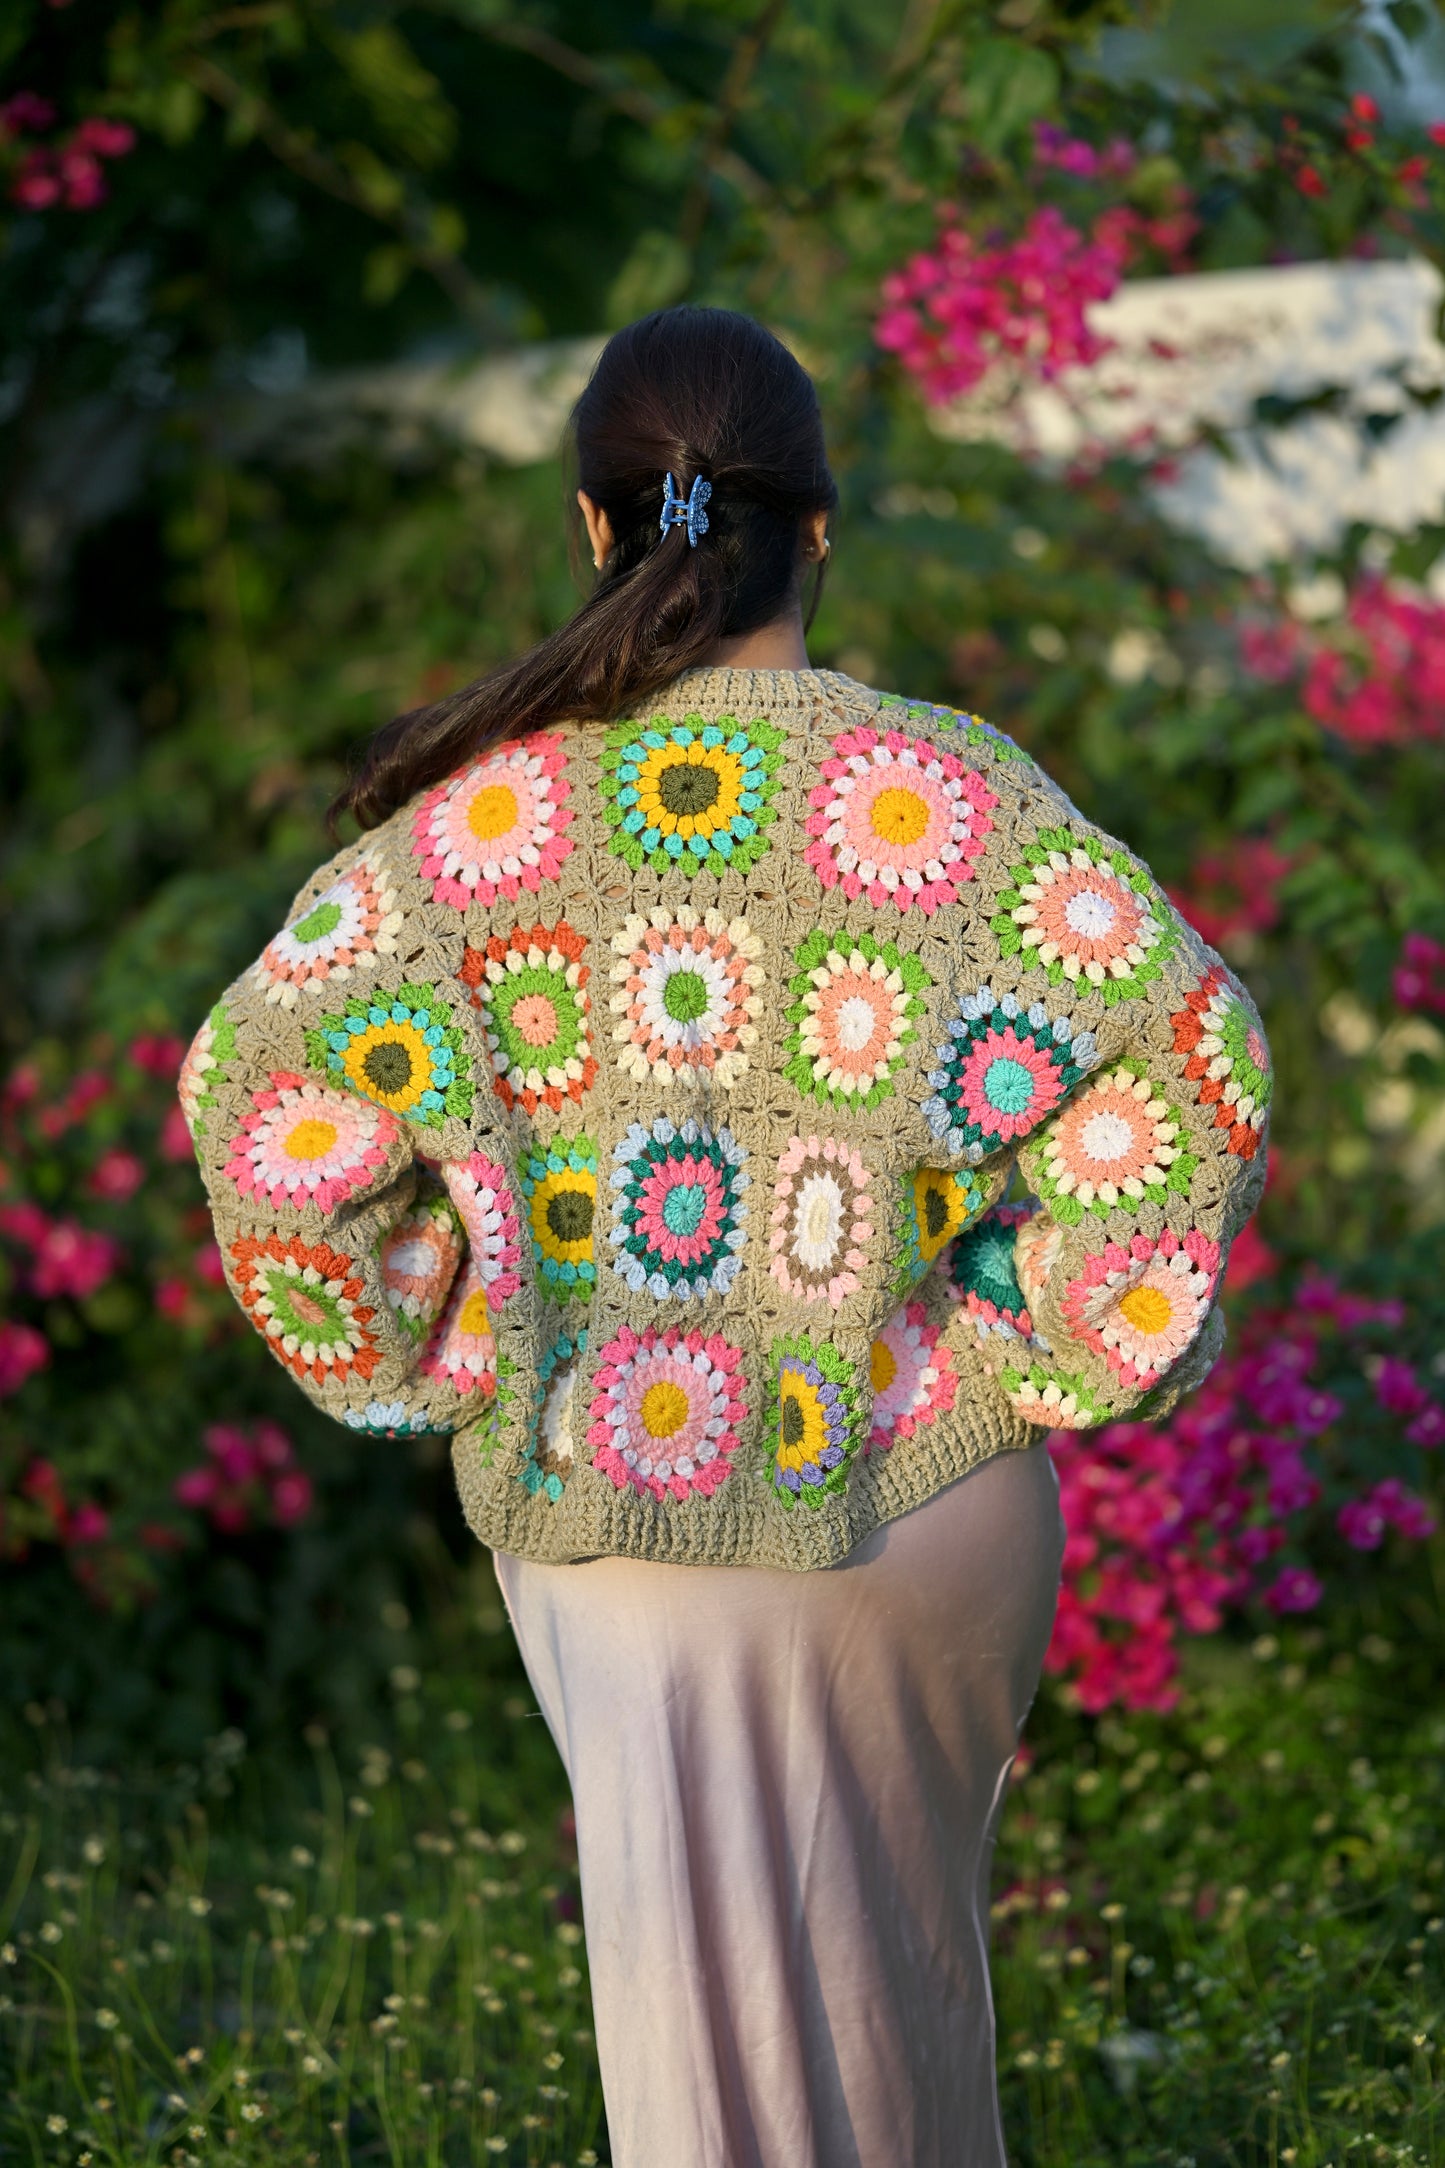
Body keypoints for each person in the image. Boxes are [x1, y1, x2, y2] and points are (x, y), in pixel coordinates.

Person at [185, 305, 1270, 2166]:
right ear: (821, 531)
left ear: (601, 532)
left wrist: (454, 1353)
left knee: (707, 2083)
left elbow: (268, 1122)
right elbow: (1187, 1058)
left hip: (622, 1526)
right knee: (905, 2022)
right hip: (921, 1495)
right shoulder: (953, 796)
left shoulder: (473, 835)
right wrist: (1014, 1341)